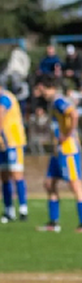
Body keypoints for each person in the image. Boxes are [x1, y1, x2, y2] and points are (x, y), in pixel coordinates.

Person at [32, 75, 82, 233]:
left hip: (68, 150)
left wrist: (68, 134)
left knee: (75, 184)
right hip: (58, 151)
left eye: (38, 88)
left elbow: (74, 114)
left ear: (43, 87)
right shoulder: (53, 103)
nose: (38, 92)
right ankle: (53, 222)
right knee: (49, 183)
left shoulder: (58, 101)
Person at [0, 83, 26, 222]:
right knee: (4, 176)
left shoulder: (5, 97)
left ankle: (23, 209)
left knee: (16, 175)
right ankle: (8, 210)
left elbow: (1, 114)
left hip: (13, 142)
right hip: (3, 143)